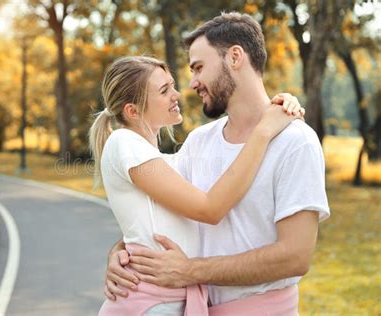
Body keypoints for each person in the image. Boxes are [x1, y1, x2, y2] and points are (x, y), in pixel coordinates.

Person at [104, 12, 330, 315]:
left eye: (198, 68)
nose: (193, 83)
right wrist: (120, 253)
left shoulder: (295, 142)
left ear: (235, 57)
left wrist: (191, 271)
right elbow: (164, 209)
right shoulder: (200, 140)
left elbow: (295, 257)